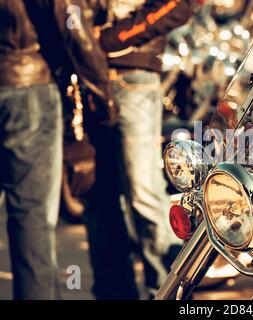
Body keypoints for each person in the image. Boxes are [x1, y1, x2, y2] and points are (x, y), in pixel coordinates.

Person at [0, 0, 116, 299]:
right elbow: (67, 13)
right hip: (26, 85)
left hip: (22, 82)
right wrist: (104, 95)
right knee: (31, 217)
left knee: (30, 218)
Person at [84, 0, 192, 299]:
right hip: (86, 76)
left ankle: (168, 293)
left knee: (143, 194)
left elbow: (179, 6)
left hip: (132, 77)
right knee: (98, 197)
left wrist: (108, 41)